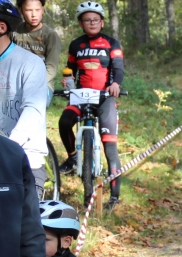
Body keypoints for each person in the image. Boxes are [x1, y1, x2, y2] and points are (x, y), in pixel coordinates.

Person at [58, 1, 123, 211]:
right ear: (81, 23)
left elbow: (118, 69)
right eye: (87, 20)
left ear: (102, 22)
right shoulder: (76, 45)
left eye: (95, 20)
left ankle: (113, 197)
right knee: (64, 121)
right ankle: (73, 159)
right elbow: (70, 70)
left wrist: (116, 84)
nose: (92, 23)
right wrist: (67, 83)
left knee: (109, 145)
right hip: (81, 97)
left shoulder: (112, 43)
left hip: (104, 98)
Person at [0, 0, 48, 200]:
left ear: (2, 27)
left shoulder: (30, 64)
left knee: (23, 230)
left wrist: (7, 148)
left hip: (25, 162)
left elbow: (34, 111)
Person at [13, 0, 61, 106]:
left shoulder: (50, 35)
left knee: (33, 106)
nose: (34, 15)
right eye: (29, 10)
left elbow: (51, 68)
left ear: (43, 10)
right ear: (21, 11)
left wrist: (32, 84)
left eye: (37, 10)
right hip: (15, 83)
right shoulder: (15, 32)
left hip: (42, 84)